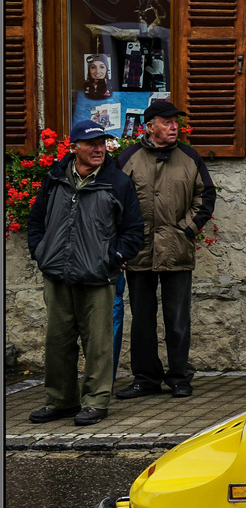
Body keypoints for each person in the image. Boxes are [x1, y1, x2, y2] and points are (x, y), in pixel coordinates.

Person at [25, 121, 144, 426]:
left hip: (97, 275)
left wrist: (112, 257)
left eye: (102, 143)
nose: (99, 149)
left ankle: (95, 402)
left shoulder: (117, 182)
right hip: (57, 273)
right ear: (74, 147)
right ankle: (61, 400)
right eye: (91, 144)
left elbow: (133, 232)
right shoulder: (54, 178)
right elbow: (36, 220)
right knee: (58, 341)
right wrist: (41, 252)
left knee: (98, 343)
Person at [115, 99, 216, 399]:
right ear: (150, 126)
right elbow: (115, 200)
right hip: (139, 250)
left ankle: (179, 377)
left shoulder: (189, 156)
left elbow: (205, 196)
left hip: (176, 248)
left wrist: (187, 228)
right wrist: (124, 240)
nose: (174, 127)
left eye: (176, 122)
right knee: (142, 320)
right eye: (167, 122)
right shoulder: (129, 157)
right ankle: (145, 378)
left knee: (177, 319)